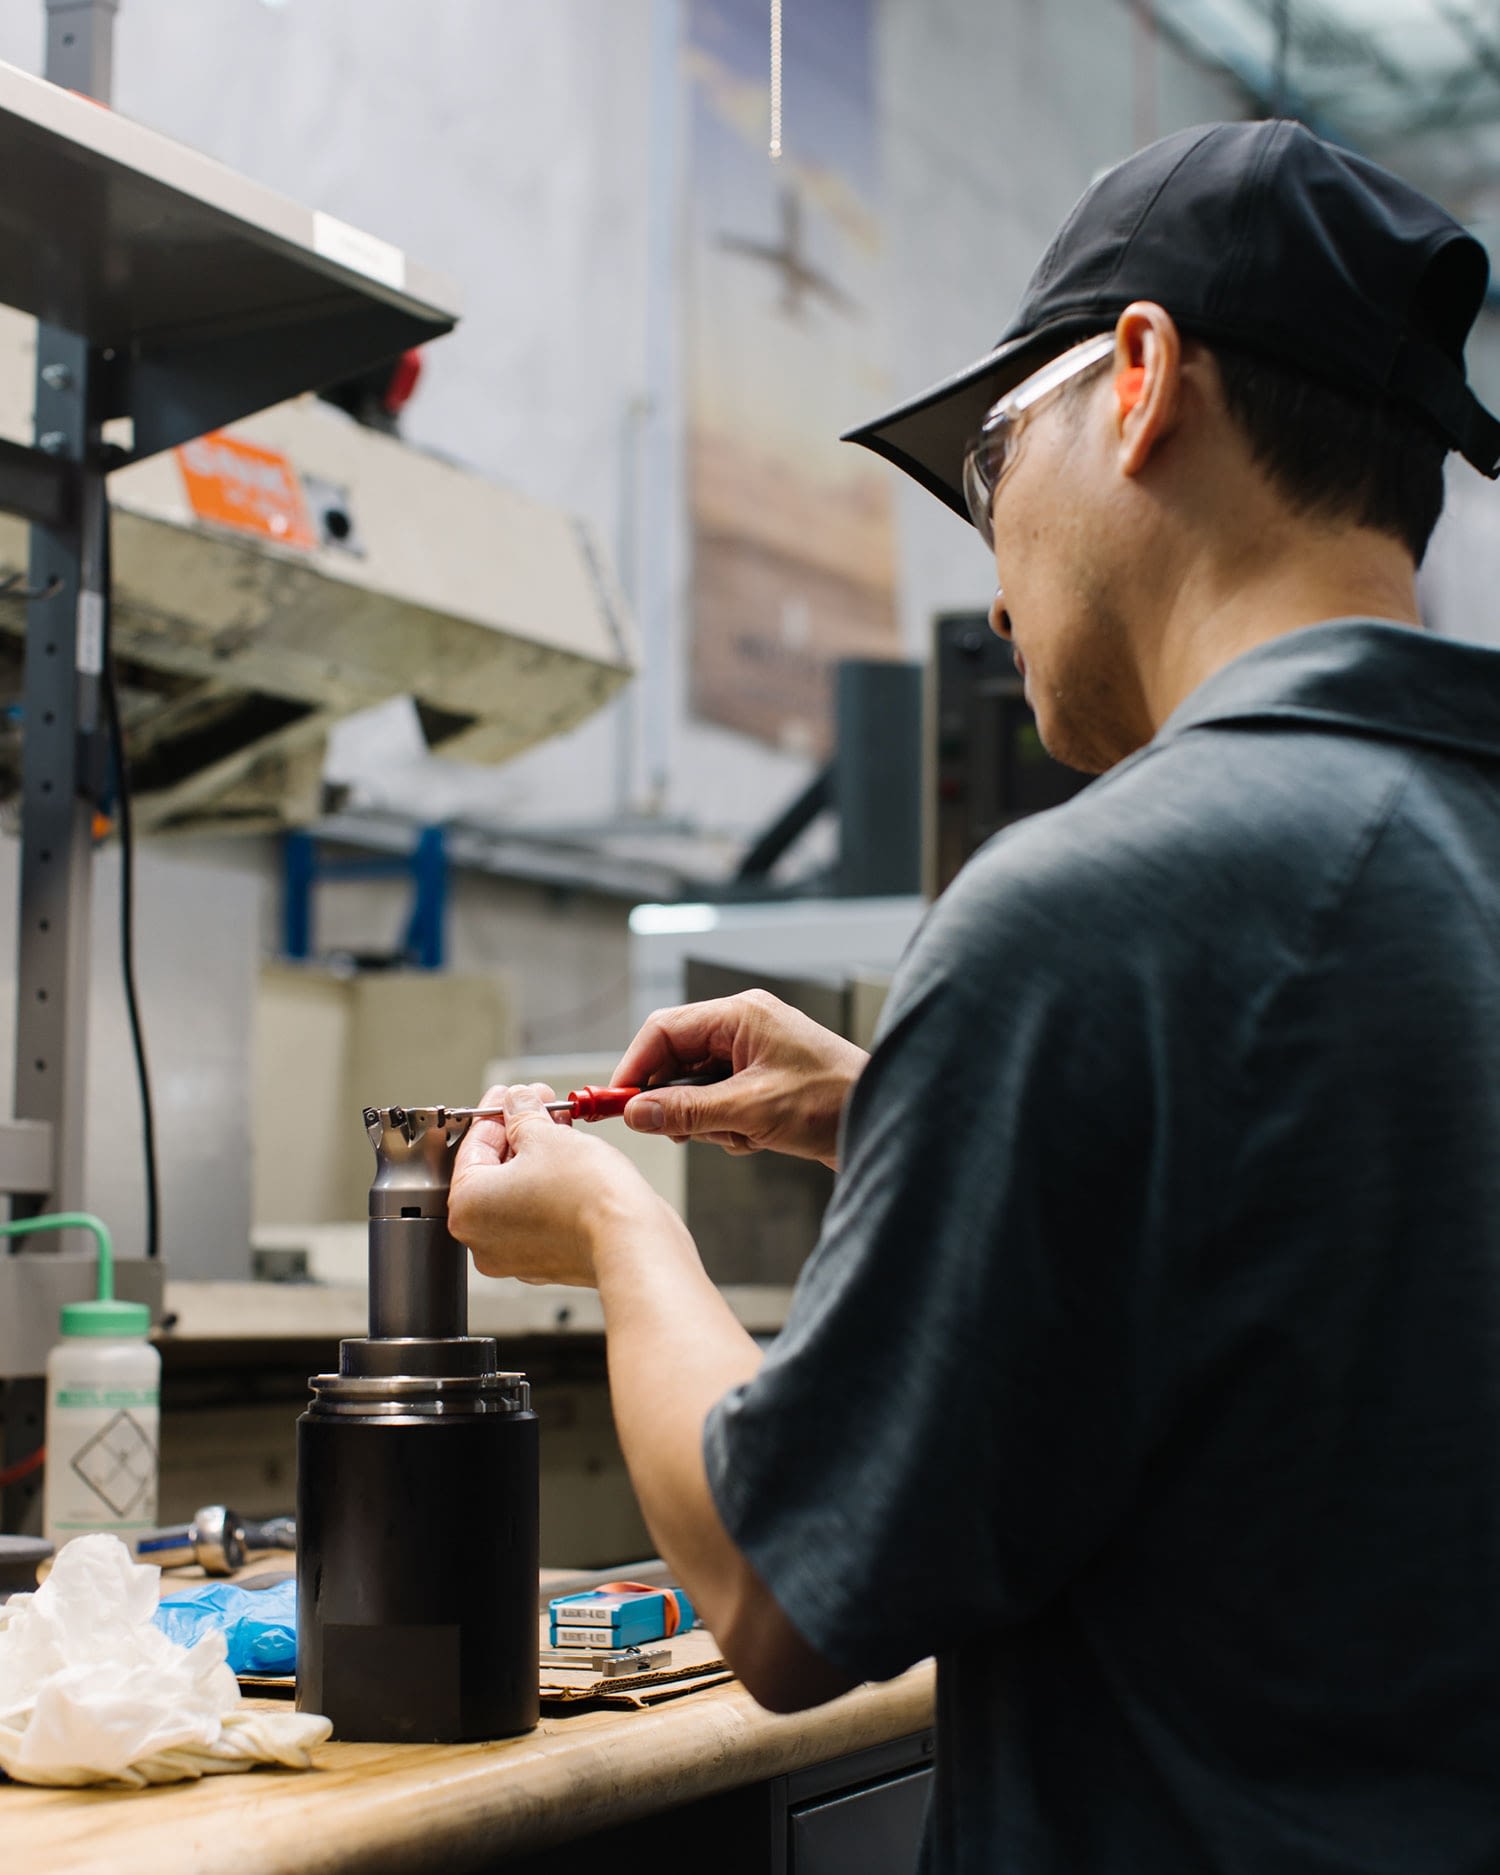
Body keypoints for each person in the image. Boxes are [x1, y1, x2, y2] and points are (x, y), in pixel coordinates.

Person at [449, 119, 1500, 1873]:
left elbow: (777, 1592)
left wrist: (620, 1233)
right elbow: (1360, 1220)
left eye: (993, 458)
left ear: (1143, 379)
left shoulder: (1102, 903)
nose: (988, 567)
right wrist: (905, 1112)